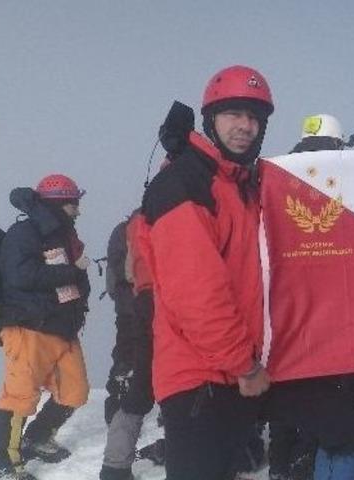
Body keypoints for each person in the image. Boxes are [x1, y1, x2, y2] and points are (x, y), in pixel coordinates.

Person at [136, 65, 272, 480]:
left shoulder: (237, 184)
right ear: (210, 118)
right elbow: (198, 297)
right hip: (201, 380)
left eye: (255, 117)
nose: (245, 126)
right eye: (233, 113)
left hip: (228, 375)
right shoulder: (188, 184)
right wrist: (244, 366)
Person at [265, 113, 354, 480]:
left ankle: (283, 468)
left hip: (285, 325)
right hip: (334, 323)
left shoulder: (273, 176)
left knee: (299, 418)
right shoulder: (343, 177)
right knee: (344, 430)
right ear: (338, 141)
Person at [0, 174, 91, 480]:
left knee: (75, 391)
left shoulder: (62, 235)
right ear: (62, 203)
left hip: (61, 327)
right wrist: (71, 272)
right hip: (28, 326)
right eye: (75, 203)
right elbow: (20, 276)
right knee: (20, 395)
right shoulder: (25, 231)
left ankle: (36, 438)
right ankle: (5, 463)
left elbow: (69, 278)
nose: (79, 210)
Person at [99, 210, 161, 480]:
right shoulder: (138, 230)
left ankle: (115, 464)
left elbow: (119, 278)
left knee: (132, 383)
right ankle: (116, 461)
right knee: (134, 382)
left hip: (133, 317)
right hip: (140, 317)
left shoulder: (125, 230)